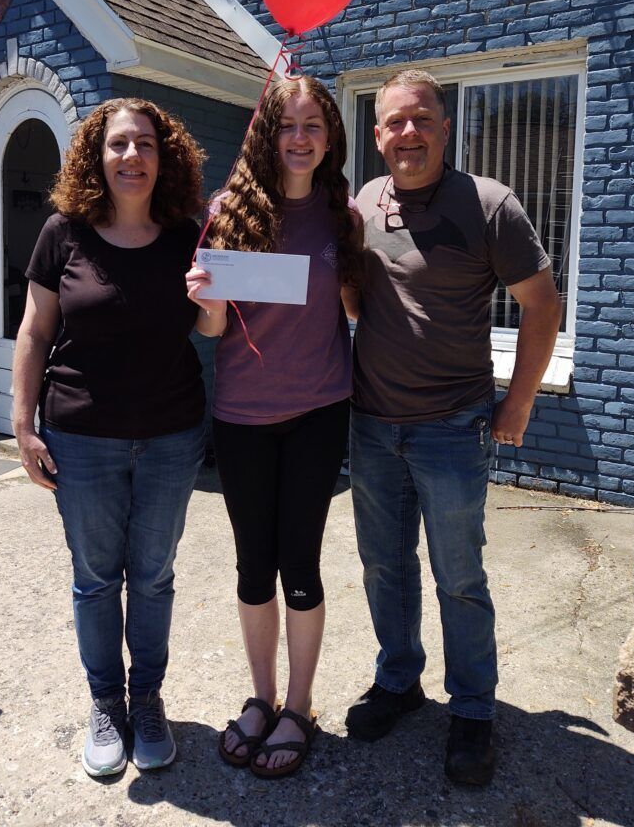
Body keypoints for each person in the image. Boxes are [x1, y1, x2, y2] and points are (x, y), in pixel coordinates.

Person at [345, 69, 562, 786]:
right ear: (378, 135)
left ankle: (472, 707)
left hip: (452, 427)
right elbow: (358, 304)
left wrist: (518, 404)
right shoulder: (363, 205)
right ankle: (399, 679)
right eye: (394, 122)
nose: (408, 132)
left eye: (421, 119)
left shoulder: (489, 204)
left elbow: (542, 305)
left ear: (445, 126)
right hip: (373, 424)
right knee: (384, 565)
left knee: (459, 576)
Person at [12, 97, 207, 778]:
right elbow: (35, 331)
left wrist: (216, 295)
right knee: (96, 580)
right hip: (82, 437)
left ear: (164, 156)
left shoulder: (187, 236)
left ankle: (146, 699)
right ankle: (105, 702)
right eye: (119, 144)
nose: (132, 156)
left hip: (171, 435)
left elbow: (211, 326)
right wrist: (22, 425)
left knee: (152, 577)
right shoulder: (63, 233)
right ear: (97, 156)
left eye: (145, 143)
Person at [186, 75, 362, 779]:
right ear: (267, 133)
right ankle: (260, 698)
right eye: (287, 124)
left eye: (313, 124)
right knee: (253, 565)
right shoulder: (225, 211)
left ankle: (299, 705)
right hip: (243, 416)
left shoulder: (342, 215)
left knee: (301, 563)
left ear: (330, 136)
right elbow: (213, 329)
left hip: (319, 410)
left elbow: (354, 308)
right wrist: (206, 300)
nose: (299, 137)